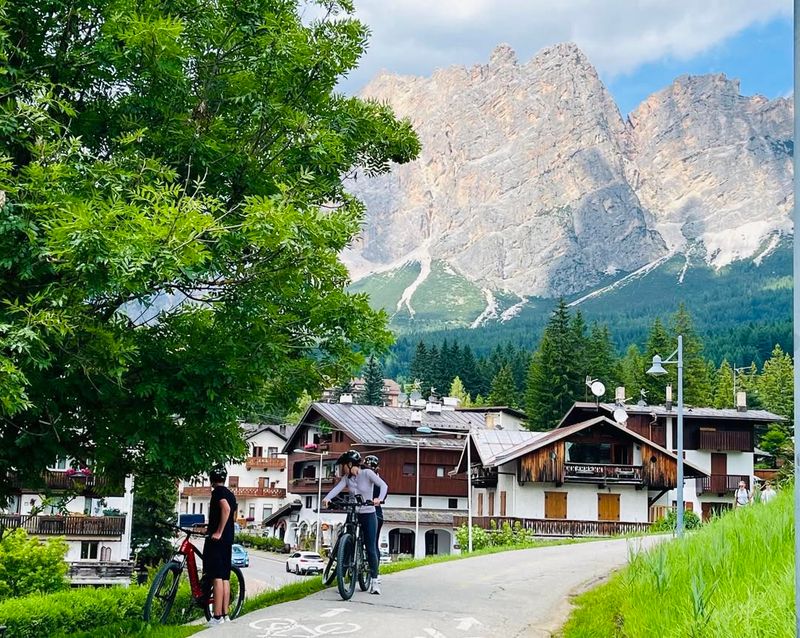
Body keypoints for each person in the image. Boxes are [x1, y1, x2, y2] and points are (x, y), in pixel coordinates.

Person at [322, 450, 388, 595]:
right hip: (353, 512)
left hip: (368, 513)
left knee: (371, 547)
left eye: (343, 466)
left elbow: (383, 486)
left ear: (350, 464)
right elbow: (337, 489)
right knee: (346, 538)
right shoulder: (347, 478)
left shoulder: (367, 474)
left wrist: (379, 499)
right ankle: (342, 573)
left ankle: (375, 581)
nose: (342, 469)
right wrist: (327, 498)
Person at [205, 465, 237, 626]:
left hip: (217, 541)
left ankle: (216, 617)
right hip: (228, 540)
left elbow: (226, 509)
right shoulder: (231, 494)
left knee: (216, 576)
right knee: (225, 577)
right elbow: (232, 514)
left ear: (212, 479)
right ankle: (225, 615)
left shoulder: (218, 492)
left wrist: (218, 531)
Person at [363, 455, 385, 559]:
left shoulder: (377, 482)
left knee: (373, 543)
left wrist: (379, 499)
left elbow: (384, 490)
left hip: (375, 513)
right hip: (362, 511)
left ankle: (374, 572)